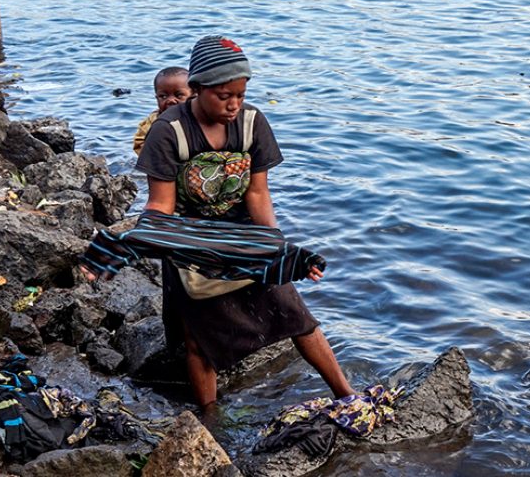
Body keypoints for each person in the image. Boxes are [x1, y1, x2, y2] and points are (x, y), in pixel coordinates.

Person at [96, 35, 355, 409]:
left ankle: (346, 396)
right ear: (198, 89)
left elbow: (257, 194)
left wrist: (278, 251)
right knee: (197, 340)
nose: (234, 104)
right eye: (224, 96)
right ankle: (209, 420)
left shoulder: (252, 124)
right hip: (190, 243)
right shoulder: (167, 132)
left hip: (244, 239)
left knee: (297, 317)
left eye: (241, 93)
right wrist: (128, 245)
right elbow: (161, 206)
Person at [132, 66, 192, 155]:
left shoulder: (197, 116)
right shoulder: (153, 121)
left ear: (193, 95)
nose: (171, 100)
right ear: (156, 98)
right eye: (163, 96)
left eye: (179, 95)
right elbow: (139, 143)